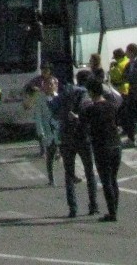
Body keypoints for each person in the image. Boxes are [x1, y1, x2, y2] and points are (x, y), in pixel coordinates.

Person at [80, 73, 123, 223]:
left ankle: (112, 213)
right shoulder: (111, 106)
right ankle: (114, 209)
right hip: (116, 145)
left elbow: (83, 124)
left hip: (102, 147)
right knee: (114, 179)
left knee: (106, 181)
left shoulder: (91, 109)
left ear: (92, 92)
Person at [57, 68, 98, 219]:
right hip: (82, 136)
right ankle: (93, 205)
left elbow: (55, 110)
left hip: (66, 137)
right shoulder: (85, 94)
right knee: (89, 172)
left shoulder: (66, 92)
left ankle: (72, 208)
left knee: (69, 174)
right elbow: (87, 114)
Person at [27, 70, 60, 184]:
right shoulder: (41, 99)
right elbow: (38, 116)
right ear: (44, 86)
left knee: (65, 155)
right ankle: (51, 178)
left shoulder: (59, 98)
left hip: (59, 132)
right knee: (50, 156)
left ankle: (71, 175)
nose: (50, 86)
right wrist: (40, 132)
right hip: (48, 132)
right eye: (48, 84)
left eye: (53, 84)